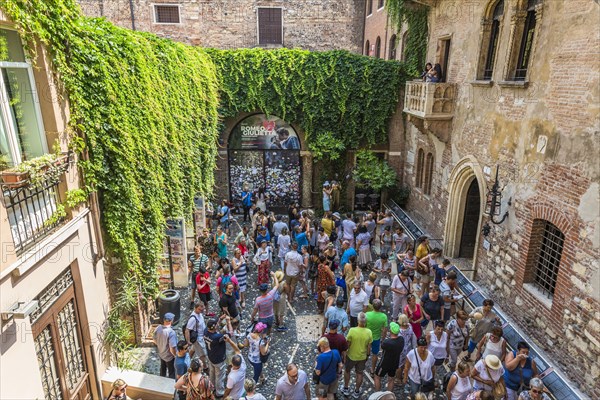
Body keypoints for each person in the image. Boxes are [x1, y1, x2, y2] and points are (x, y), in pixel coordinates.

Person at [342, 312, 373, 398]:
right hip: (362, 357)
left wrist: (344, 353)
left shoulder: (352, 330)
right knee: (359, 373)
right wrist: (367, 355)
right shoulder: (369, 332)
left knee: (347, 371)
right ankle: (356, 391)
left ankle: (346, 388)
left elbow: (347, 344)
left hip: (351, 356)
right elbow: (369, 346)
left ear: (358, 321)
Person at [204, 316, 233, 397]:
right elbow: (230, 333)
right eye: (217, 324)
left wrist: (219, 319)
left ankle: (211, 388)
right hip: (219, 360)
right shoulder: (217, 337)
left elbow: (214, 327)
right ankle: (219, 392)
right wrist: (228, 322)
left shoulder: (205, 331)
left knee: (212, 374)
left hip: (210, 356)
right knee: (219, 376)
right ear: (215, 326)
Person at [374, 322, 404, 392]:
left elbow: (382, 347)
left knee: (377, 377)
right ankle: (389, 394)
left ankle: (378, 394)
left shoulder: (387, 342)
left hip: (384, 364)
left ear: (390, 331)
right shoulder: (401, 340)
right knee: (391, 379)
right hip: (395, 363)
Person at [366, 299, 388, 373]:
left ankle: (362, 365)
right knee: (375, 354)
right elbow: (385, 330)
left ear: (372, 306)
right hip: (376, 338)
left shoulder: (367, 315)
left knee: (364, 351)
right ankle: (372, 369)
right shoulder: (384, 317)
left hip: (367, 337)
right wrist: (383, 339)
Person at [153, 312, 177, 379]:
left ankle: (161, 383)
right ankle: (170, 387)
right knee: (171, 372)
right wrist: (175, 356)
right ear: (171, 321)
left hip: (161, 354)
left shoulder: (158, 328)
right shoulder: (171, 332)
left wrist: (161, 345)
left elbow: (154, 340)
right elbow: (172, 348)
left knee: (162, 369)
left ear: (164, 320)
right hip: (169, 357)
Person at [396, 314, 418, 385]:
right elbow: (413, 337)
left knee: (398, 365)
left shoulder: (399, 331)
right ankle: (404, 375)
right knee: (405, 363)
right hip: (408, 348)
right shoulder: (410, 326)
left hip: (400, 350)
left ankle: (398, 379)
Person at [185, 301, 208, 366]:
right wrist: (188, 341)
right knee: (202, 354)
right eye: (200, 310)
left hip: (201, 337)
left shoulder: (199, 314)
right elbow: (187, 330)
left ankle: (187, 360)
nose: (201, 311)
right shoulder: (193, 319)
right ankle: (205, 367)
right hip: (198, 339)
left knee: (193, 349)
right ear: (195, 308)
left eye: (202, 309)